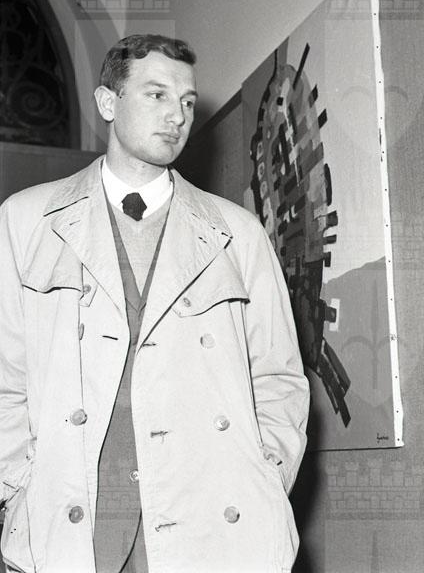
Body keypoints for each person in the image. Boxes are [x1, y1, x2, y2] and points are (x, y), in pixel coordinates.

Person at [0, 34, 310, 573]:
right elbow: (6, 374)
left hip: (211, 525)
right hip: (72, 525)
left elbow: (279, 376)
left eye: (187, 101)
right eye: (157, 94)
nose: (177, 116)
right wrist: (18, 484)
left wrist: (262, 475)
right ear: (107, 103)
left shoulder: (238, 233)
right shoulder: (26, 221)